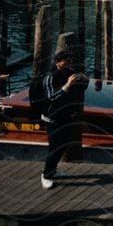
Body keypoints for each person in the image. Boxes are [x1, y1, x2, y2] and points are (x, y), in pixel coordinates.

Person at [33, 50, 89, 188]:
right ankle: (46, 175)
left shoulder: (70, 73)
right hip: (51, 118)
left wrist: (84, 80)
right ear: (58, 63)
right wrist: (67, 86)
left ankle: (53, 170)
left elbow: (81, 88)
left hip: (66, 117)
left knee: (63, 145)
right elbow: (51, 97)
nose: (70, 62)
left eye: (70, 60)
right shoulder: (49, 77)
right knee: (55, 147)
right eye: (66, 60)